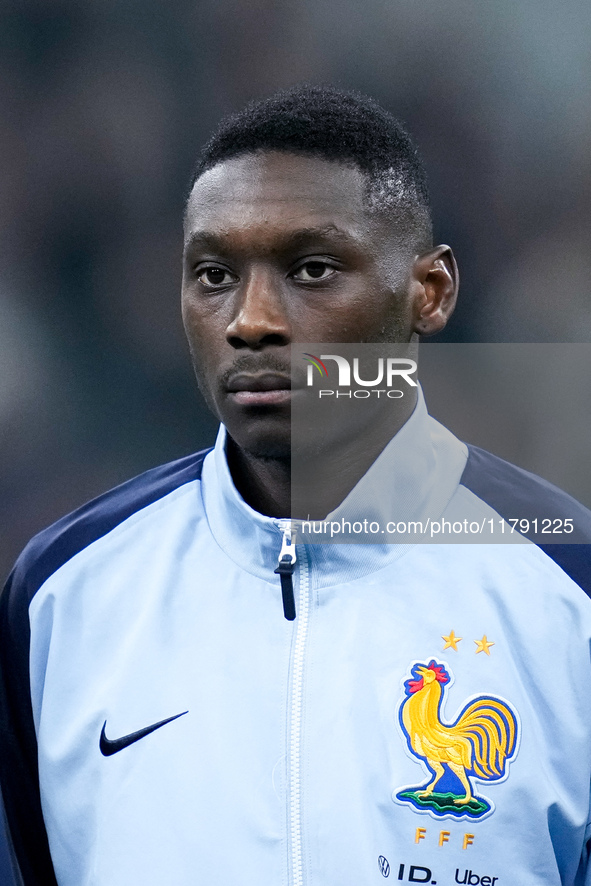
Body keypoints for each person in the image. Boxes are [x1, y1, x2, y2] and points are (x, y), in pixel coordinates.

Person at [1, 85, 590, 886]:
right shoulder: (62, 595)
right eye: (212, 275)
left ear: (430, 291)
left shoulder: (568, 586)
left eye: (311, 268)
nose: (251, 319)